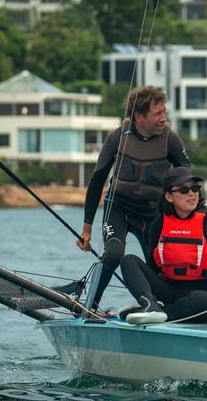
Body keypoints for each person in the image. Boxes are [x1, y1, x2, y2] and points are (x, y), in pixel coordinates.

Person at [77, 86, 191, 310]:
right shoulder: (117, 137)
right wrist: (87, 228)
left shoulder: (170, 140)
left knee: (160, 265)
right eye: (157, 113)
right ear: (139, 116)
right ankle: (91, 306)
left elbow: (187, 177)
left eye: (164, 112)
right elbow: (97, 181)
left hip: (151, 213)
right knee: (114, 253)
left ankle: (159, 308)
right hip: (118, 208)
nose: (163, 118)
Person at [119, 166, 207, 326]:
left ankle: (159, 314)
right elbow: (152, 267)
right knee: (128, 260)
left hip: (199, 297)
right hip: (167, 290)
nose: (191, 193)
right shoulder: (159, 223)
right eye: (184, 190)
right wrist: (147, 291)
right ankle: (149, 305)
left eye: (195, 188)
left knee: (205, 301)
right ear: (169, 196)